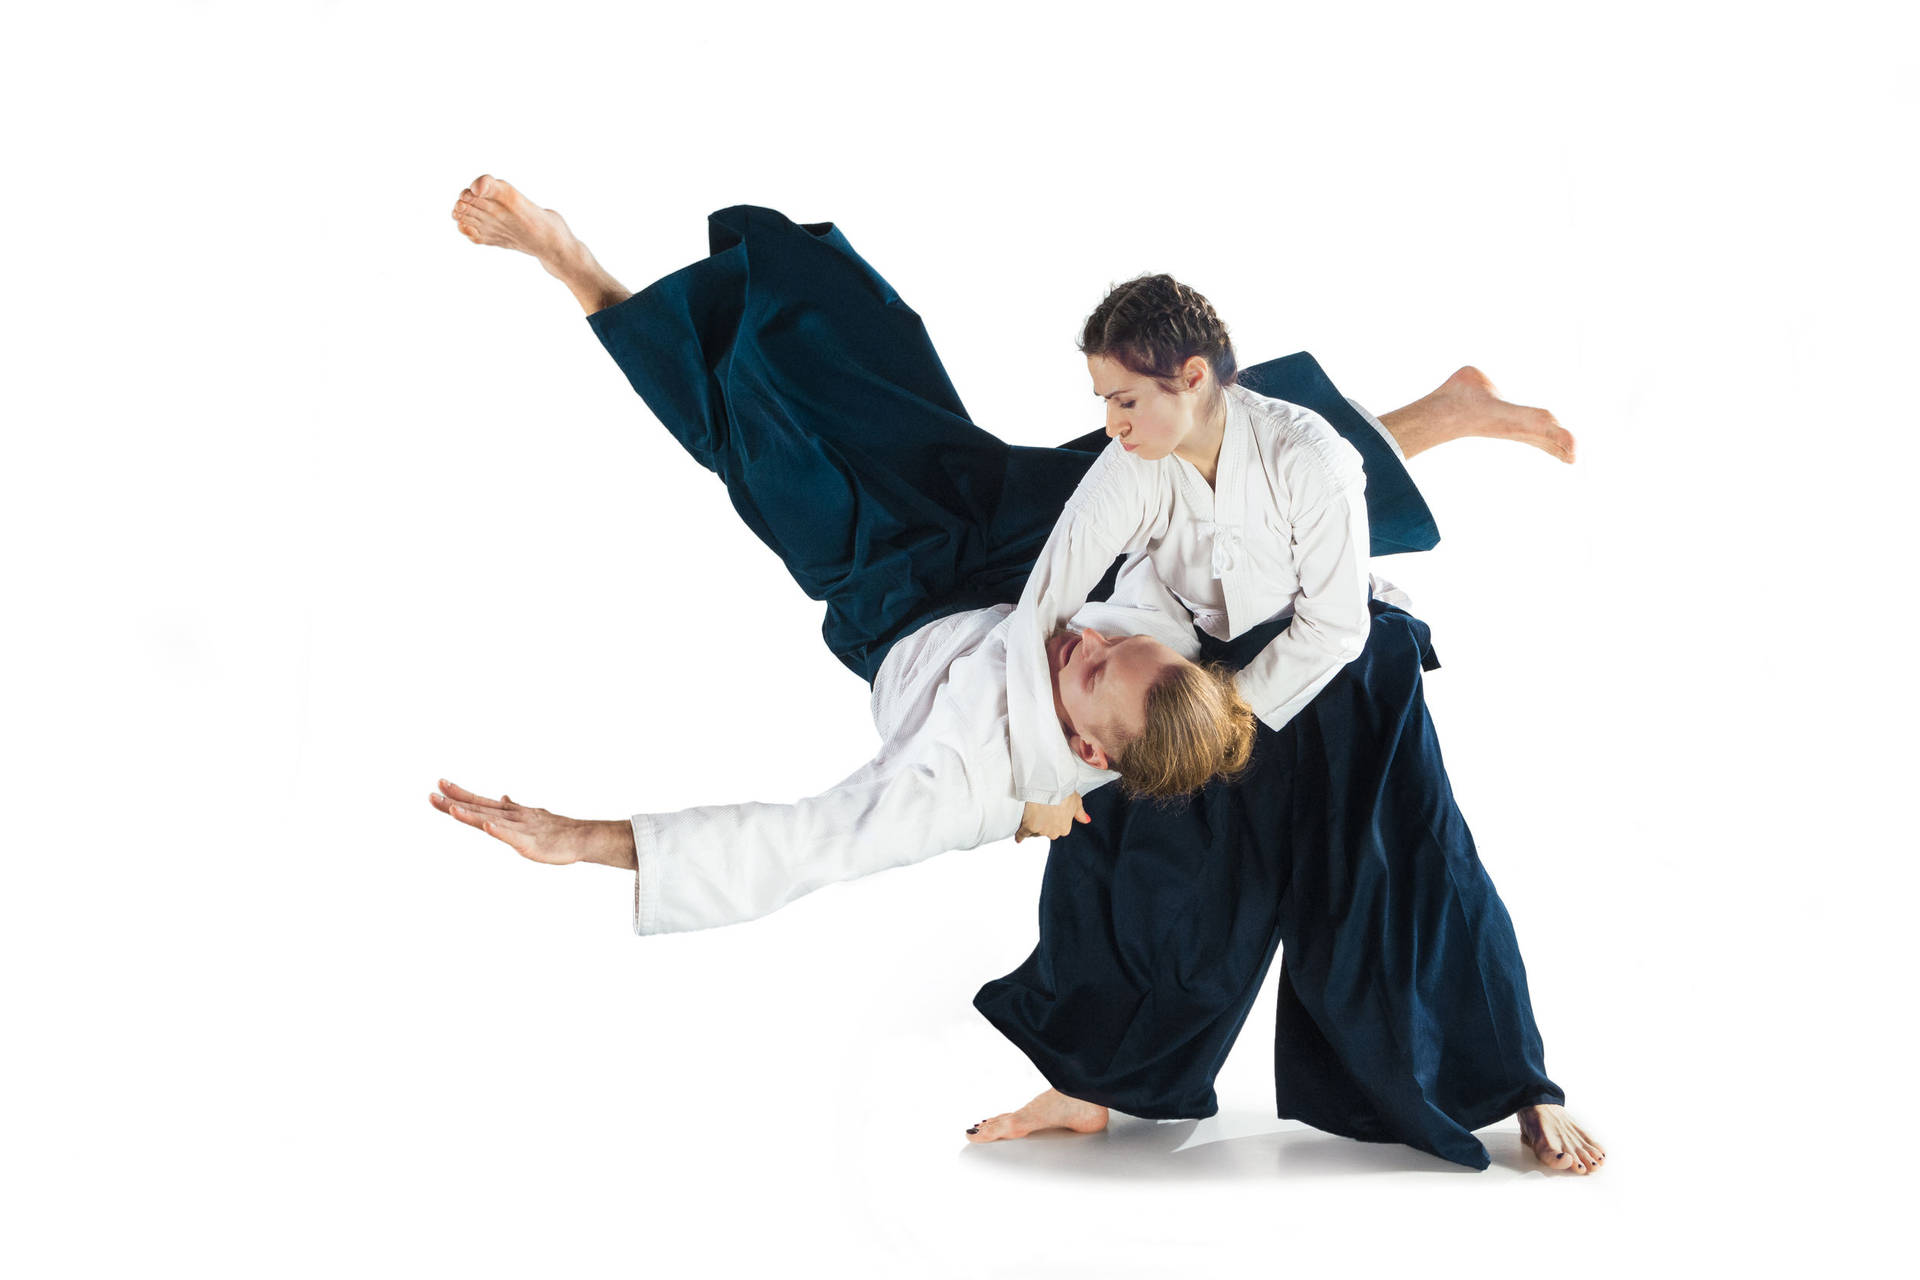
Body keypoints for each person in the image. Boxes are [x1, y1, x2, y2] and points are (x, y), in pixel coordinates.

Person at [436, 176, 1604, 1173]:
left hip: (895, 579)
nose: (1085, 644)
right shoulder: (1127, 626)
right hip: (1031, 543)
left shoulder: (959, 773)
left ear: (1089, 748)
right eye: (1119, 639)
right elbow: (1177, 555)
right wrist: (1094, 631)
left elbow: (800, 843)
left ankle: (572, 265)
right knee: (1148, 451)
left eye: (1093, 667)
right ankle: (1442, 411)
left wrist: (585, 838)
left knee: (754, 432)